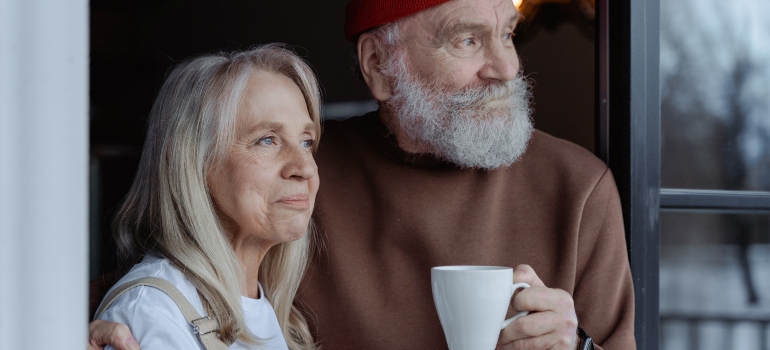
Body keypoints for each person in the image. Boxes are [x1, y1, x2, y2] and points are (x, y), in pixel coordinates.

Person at [90, 0, 636, 349]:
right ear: (378, 64)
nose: (507, 67)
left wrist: (580, 347)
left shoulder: (578, 186)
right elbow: (160, 281)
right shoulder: (293, 181)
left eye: (508, 34)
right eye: (468, 39)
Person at [92, 44, 322, 350]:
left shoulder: (272, 312)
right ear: (194, 163)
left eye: (306, 142)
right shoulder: (153, 314)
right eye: (267, 139)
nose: (305, 167)